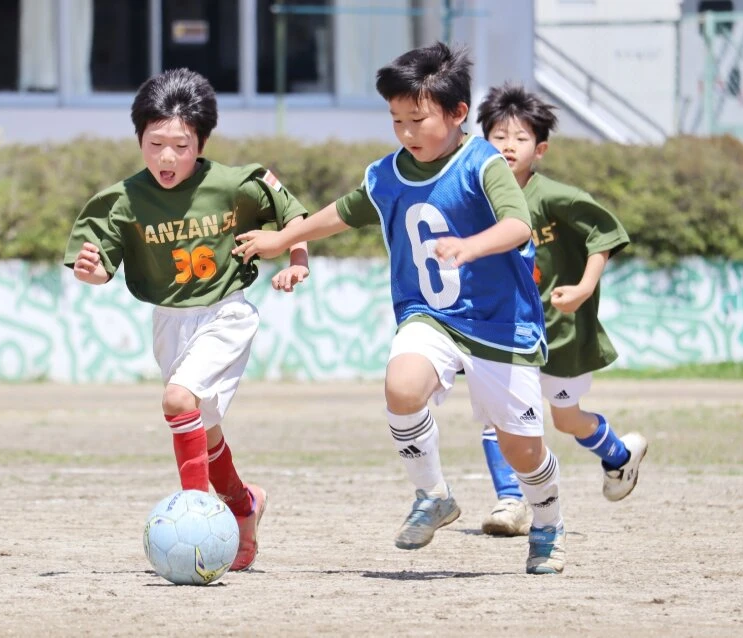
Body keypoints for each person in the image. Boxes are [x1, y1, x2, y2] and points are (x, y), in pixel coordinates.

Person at [232, 43, 567, 574]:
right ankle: (432, 495)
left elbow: (518, 225)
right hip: (429, 315)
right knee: (401, 385)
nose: (407, 131)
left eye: (419, 118)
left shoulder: (483, 162)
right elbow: (339, 213)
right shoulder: (387, 175)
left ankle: (548, 524)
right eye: (397, 120)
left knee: (522, 448)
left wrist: (470, 246)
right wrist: (283, 240)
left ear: (458, 115)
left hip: (501, 324)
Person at [63, 68, 310, 571]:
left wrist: (297, 259)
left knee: (178, 399)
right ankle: (245, 505)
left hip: (227, 311)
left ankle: (198, 521)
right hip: (169, 321)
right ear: (139, 140)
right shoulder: (122, 201)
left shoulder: (236, 184)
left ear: (200, 142)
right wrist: (90, 272)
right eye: (155, 144)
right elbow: (99, 268)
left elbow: (295, 217)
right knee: (204, 429)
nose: (167, 157)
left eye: (180, 144)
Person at [476, 83, 648, 537]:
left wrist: (584, 287)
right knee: (499, 414)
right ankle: (511, 502)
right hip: (507, 331)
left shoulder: (555, 197)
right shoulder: (477, 198)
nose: (508, 145)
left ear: (541, 149)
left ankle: (619, 455)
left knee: (566, 418)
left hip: (559, 332)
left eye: (520, 138)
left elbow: (605, 235)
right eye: (498, 135)